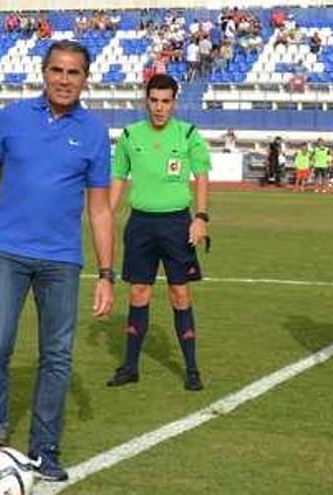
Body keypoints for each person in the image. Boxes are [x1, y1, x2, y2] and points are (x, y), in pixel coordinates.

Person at [0, 40, 114, 482]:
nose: (64, 79)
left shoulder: (96, 133)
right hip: (7, 253)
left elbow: (99, 209)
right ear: (43, 72)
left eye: (74, 72)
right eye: (57, 70)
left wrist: (105, 274)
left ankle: (45, 450)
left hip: (62, 262)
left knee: (57, 356)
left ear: (85, 79)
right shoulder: (11, 119)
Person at [107, 73, 211, 392]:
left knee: (180, 294)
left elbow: (201, 176)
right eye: (154, 100)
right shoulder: (129, 135)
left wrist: (201, 217)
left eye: (166, 101)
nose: (159, 107)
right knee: (139, 293)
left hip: (177, 224)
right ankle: (130, 367)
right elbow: (118, 179)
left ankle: (192, 369)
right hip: (141, 224)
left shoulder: (189, 134)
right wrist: (105, 216)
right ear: (146, 100)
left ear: (174, 102)